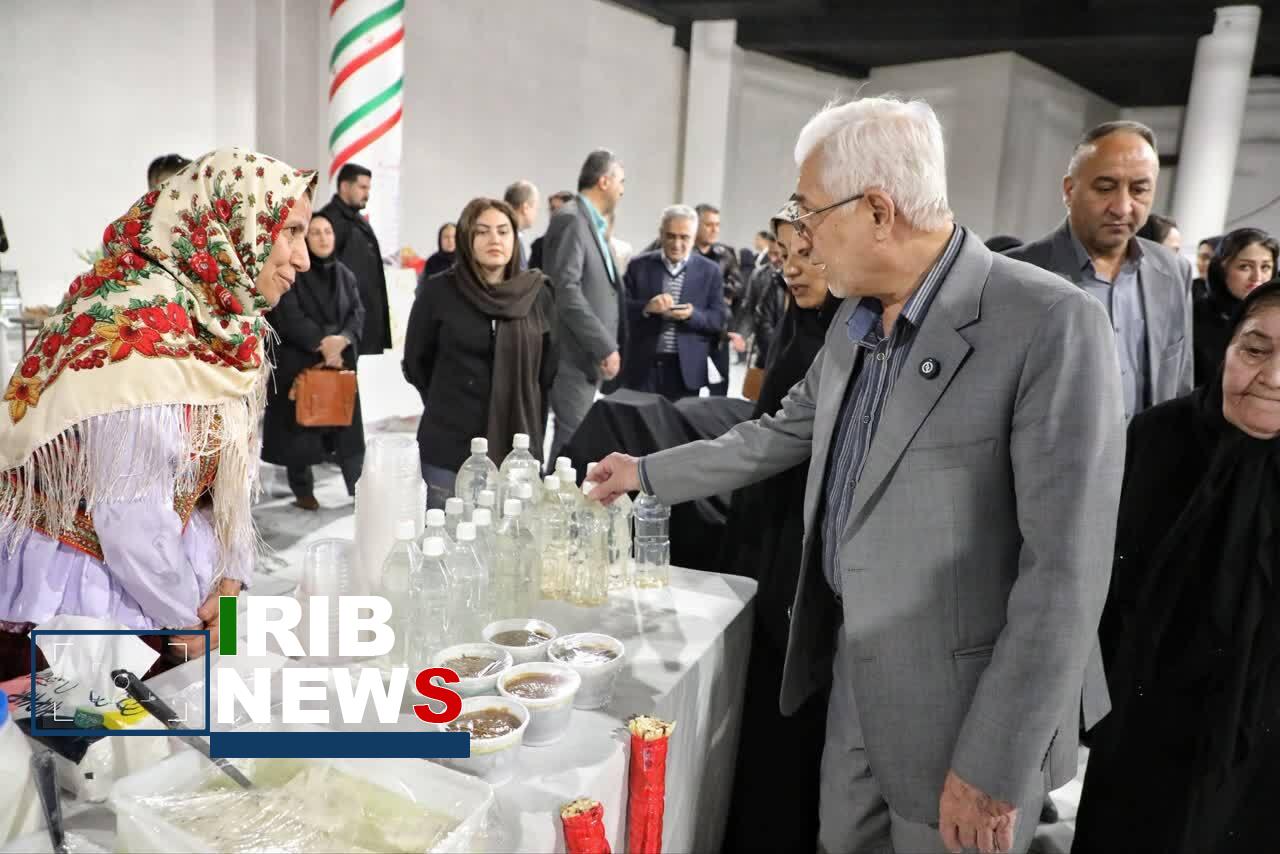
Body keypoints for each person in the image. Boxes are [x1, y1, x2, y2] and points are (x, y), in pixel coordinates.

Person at [587, 96, 1125, 854]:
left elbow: (1064, 573)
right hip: (854, 682)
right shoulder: (856, 319)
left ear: (877, 210)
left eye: (808, 213)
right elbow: (777, 434)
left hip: (963, 716)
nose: (799, 237)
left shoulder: (1048, 323)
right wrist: (644, 471)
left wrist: (994, 764)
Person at [0, 149, 315, 679]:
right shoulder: (139, 335)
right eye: (292, 232)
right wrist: (190, 627)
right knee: (118, 732)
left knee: (205, 704)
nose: (303, 259)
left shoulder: (226, 326)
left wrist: (231, 586)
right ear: (234, 226)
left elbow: (230, 483)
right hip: (85, 611)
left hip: (171, 587)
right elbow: (130, 522)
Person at [1073, 280, 1280, 854]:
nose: (1272, 377)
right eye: (1255, 349)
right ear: (1227, 346)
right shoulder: (1159, 435)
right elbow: (1100, 580)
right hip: (1148, 711)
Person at [719, 202, 841, 854]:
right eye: (784, 255)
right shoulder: (802, 329)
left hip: (804, 561)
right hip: (770, 546)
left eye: (808, 255)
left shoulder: (844, 345)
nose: (792, 269)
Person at [1007, 120, 1193, 421]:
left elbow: (1180, 382)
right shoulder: (1016, 274)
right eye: (1105, 188)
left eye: (1139, 190)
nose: (1122, 207)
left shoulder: (1173, 271)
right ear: (1069, 190)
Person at [403, 198, 556, 507]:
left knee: (510, 533)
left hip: (517, 446)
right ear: (466, 239)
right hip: (449, 441)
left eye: (503, 231)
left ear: (514, 238)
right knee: (444, 530)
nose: (494, 239)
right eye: (482, 231)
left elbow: (548, 369)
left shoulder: (537, 293)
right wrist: (450, 397)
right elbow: (417, 361)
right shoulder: (439, 291)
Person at [261, 212, 366, 511]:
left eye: (328, 231)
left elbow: (357, 313)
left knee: (347, 429)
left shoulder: (345, 275)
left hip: (339, 363)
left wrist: (343, 339)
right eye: (316, 232)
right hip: (300, 361)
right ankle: (303, 490)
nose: (323, 237)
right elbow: (288, 315)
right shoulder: (292, 272)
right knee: (299, 430)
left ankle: (357, 487)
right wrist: (324, 344)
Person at [543, 150, 626, 462]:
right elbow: (566, 289)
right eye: (620, 181)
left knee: (574, 441)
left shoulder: (589, 222)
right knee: (570, 445)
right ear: (604, 181)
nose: (622, 190)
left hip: (584, 355)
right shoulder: (572, 219)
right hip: (572, 354)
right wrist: (604, 345)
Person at [619, 205, 725, 400]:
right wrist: (647, 307)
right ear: (661, 234)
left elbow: (718, 319)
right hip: (643, 366)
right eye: (670, 236)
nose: (677, 244)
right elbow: (620, 310)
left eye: (684, 237)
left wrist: (692, 315)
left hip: (686, 370)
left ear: (694, 237)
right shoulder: (638, 266)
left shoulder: (710, 271)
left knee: (677, 420)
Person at [318, 163, 392, 355]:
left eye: (368, 188)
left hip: (365, 320)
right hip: (342, 326)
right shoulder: (328, 222)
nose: (367, 194)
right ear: (344, 186)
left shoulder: (359, 220)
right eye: (362, 187)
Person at [1193, 227, 1278, 387]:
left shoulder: (1275, 318)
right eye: (1245, 267)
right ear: (1222, 270)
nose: (1257, 277)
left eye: (1265, 267)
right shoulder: (1194, 317)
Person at [694, 203, 743, 396]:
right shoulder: (684, 252)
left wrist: (711, 293)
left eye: (717, 225)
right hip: (691, 331)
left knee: (719, 391)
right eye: (709, 225)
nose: (714, 229)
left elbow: (737, 286)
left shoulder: (725, 254)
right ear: (695, 224)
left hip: (719, 333)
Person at [529, 190, 574, 271]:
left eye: (560, 209)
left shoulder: (580, 242)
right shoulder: (538, 245)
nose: (555, 213)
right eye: (552, 209)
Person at [503, 179, 540, 270]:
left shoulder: (510, 234)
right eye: (536, 208)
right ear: (525, 208)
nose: (536, 213)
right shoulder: (509, 238)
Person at [1193, 234, 1222, 302]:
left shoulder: (1234, 292)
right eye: (1199, 257)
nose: (1199, 263)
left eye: (1206, 257)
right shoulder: (1191, 288)